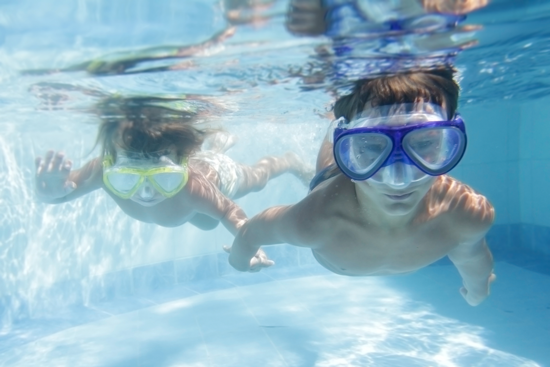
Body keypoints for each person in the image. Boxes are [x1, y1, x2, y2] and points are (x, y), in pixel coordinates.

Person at [227, 67, 496, 306]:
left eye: (424, 143)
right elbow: (254, 231)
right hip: (333, 180)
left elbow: (472, 256)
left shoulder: (467, 212)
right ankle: (320, 141)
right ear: (349, 148)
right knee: (328, 162)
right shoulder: (316, 219)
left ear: (448, 142)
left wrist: (478, 289)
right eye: (370, 145)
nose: (398, 178)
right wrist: (240, 263)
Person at [34, 96, 313, 236]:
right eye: (128, 177)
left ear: (181, 163)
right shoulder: (102, 172)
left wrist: (246, 239)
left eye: (164, 177)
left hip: (216, 176)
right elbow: (62, 193)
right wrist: (51, 191)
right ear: (110, 162)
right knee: (205, 223)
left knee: (257, 179)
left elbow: (229, 210)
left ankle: (288, 160)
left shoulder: (194, 187)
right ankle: (216, 145)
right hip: (188, 204)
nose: (145, 193)